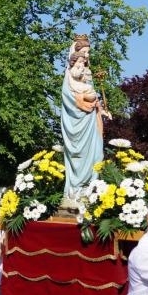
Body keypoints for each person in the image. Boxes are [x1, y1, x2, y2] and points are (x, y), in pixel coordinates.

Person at [61, 34, 105, 200]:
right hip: (77, 121)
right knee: (79, 156)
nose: (87, 56)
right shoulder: (70, 75)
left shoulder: (87, 73)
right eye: (84, 52)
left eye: (88, 52)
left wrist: (98, 106)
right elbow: (68, 97)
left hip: (90, 120)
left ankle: (91, 187)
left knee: (97, 154)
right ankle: (76, 189)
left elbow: (93, 95)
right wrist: (83, 101)